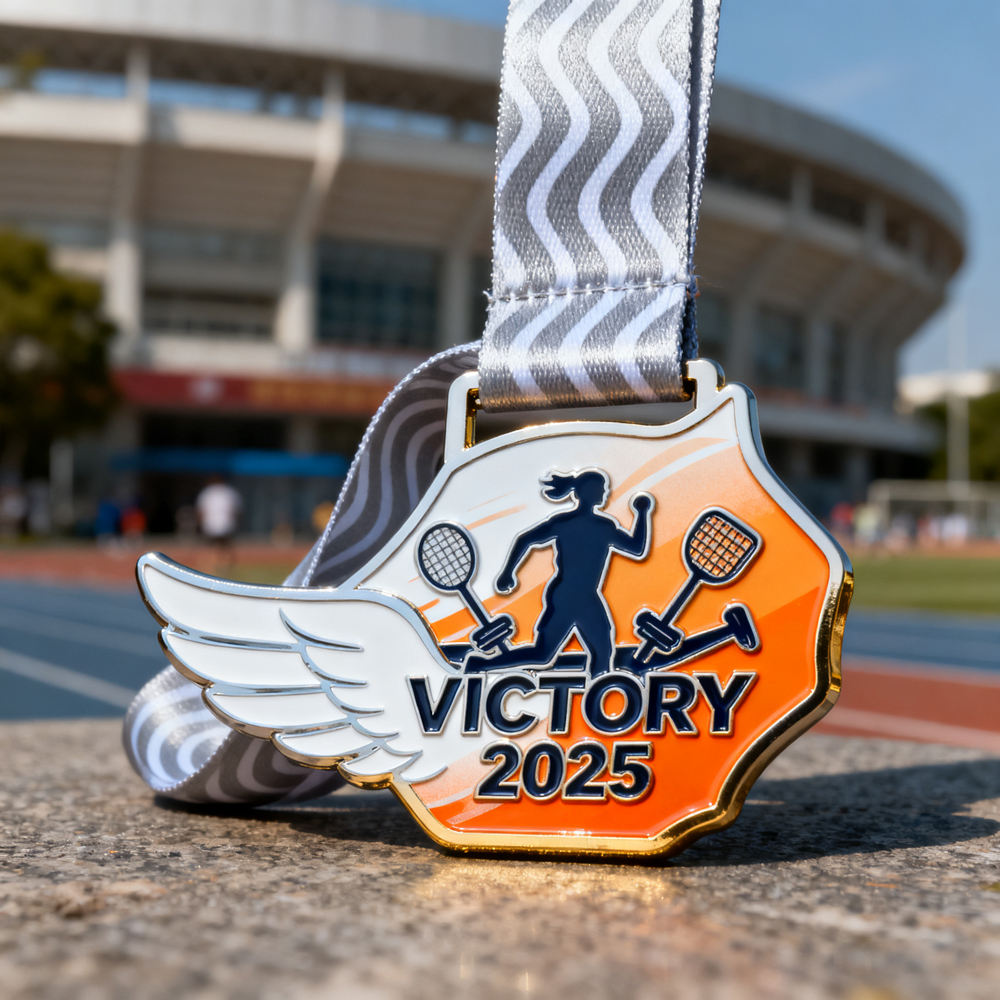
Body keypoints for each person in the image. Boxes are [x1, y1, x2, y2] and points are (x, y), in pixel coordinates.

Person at [464, 469, 653, 677]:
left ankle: (597, 699)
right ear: (587, 492)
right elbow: (525, 539)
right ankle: (479, 666)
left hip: (586, 595)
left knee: (601, 652)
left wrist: (643, 514)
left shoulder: (603, 526)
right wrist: (507, 572)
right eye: (601, 489)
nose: (605, 493)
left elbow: (637, 549)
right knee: (544, 656)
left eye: (605, 488)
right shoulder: (568, 523)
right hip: (566, 595)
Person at [196, 476, 242, 571]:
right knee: (225, 547)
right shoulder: (229, 492)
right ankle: (226, 566)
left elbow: (201, 511)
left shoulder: (208, 492)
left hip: (211, 523)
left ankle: (209, 565)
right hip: (225, 523)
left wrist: (200, 523)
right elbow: (236, 510)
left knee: (210, 547)